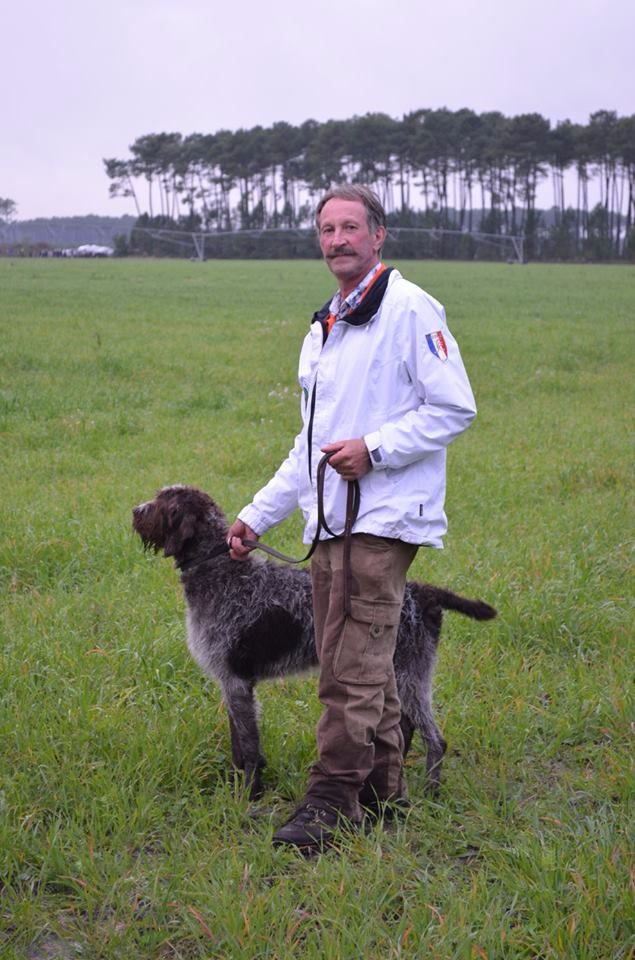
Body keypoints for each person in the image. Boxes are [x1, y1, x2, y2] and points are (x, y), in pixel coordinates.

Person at [227, 184, 476, 853]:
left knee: (350, 669)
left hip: (385, 517)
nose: (336, 240)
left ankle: (332, 800)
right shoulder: (326, 325)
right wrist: (255, 517)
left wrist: (376, 449)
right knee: (354, 657)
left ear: (377, 235)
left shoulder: (409, 309)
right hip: (330, 520)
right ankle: (382, 789)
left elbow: (454, 407)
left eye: (349, 228)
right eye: (326, 229)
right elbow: (308, 446)